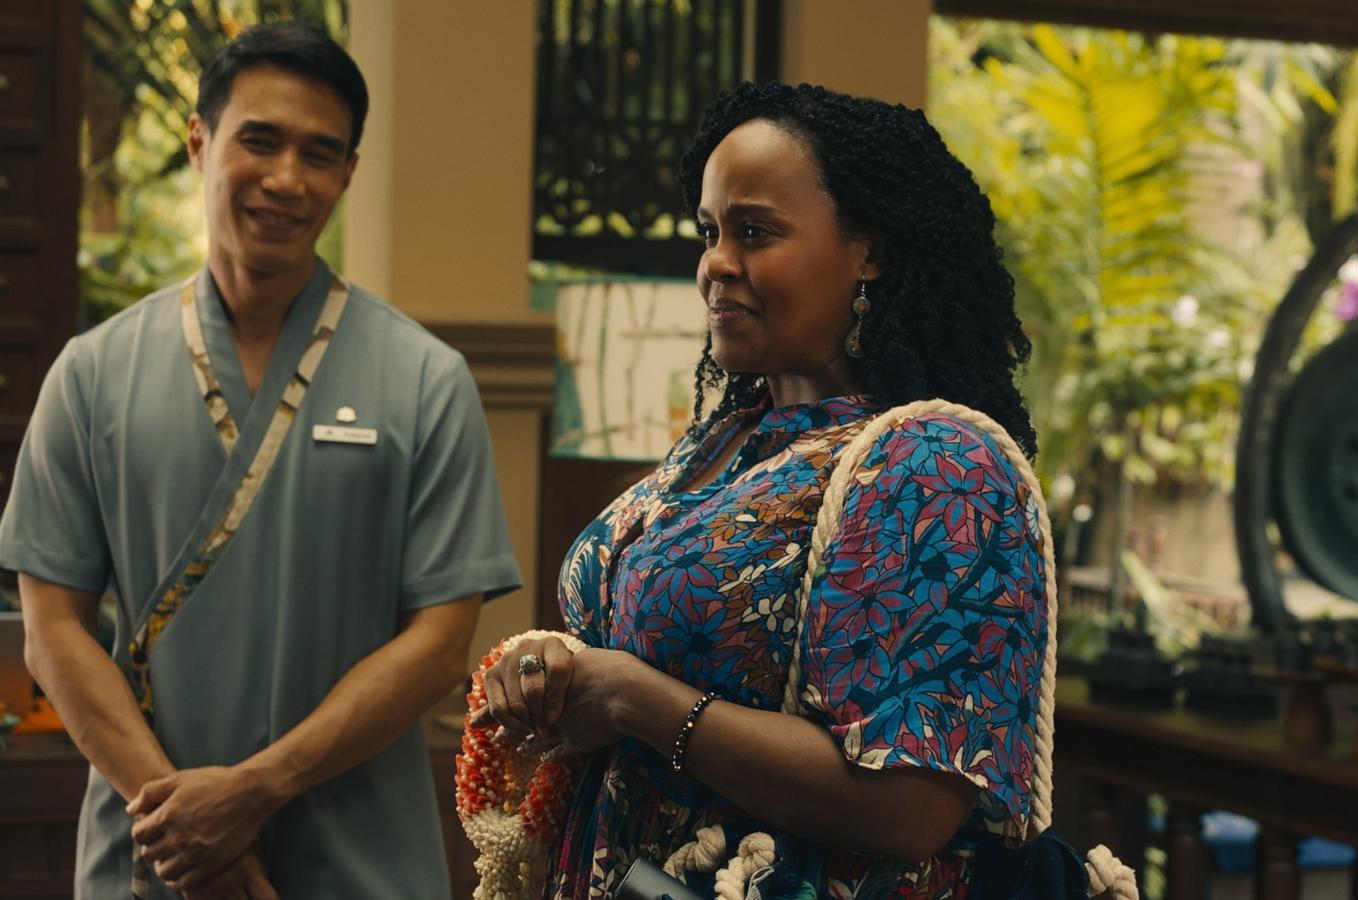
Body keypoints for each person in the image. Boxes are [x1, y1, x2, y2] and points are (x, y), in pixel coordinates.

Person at [474, 81, 1052, 898]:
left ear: (870, 252)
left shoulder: (939, 464)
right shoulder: (732, 434)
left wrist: (635, 698)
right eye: (709, 232)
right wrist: (559, 667)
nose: (715, 263)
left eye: (755, 232)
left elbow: (911, 805)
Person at [0, 22, 521, 899]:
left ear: (348, 174)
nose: (287, 178)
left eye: (321, 153)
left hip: (359, 861)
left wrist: (253, 791)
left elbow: (440, 643)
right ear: (201, 142)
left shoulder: (425, 379)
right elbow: (54, 631)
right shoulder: (94, 375)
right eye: (260, 140)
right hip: (150, 854)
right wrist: (185, 824)